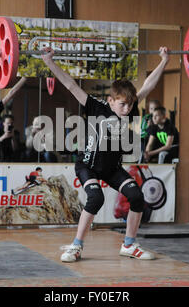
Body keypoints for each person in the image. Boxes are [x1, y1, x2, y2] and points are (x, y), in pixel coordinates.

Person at [42, 45, 169, 262]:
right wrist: (49, 62)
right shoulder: (96, 106)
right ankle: (76, 246)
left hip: (111, 169)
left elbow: (147, 86)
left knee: (137, 197)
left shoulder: (128, 107)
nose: (127, 109)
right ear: (111, 100)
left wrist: (164, 61)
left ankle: (129, 245)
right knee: (96, 198)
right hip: (87, 165)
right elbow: (71, 85)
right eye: (122, 105)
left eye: (130, 105)